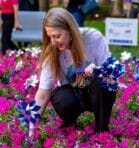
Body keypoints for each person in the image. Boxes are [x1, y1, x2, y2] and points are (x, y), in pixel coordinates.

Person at [32, 7, 116, 136]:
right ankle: (70, 125)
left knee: (102, 83)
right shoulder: (52, 51)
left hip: (94, 92)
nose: (53, 42)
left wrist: (98, 71)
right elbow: (43, 93)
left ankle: (102, 131)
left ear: (70, 31)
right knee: (61, 97)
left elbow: (111, 76)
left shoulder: (93, 38)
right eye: (50, 37)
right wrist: (32, 127)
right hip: (73, 94)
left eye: (57, 36)